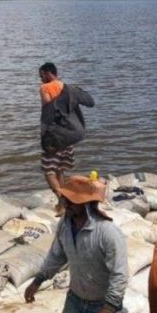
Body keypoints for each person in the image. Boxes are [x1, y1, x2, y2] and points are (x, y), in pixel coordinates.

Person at [24, 175, 128, 313]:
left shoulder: (107, 232)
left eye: (72, 201)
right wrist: (38, 280)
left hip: (101, 305)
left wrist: (108, 310)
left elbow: (120, 274)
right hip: (75, 300)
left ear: (86, 204)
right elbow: (56, 256)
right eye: (65, 200)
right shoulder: (65, 224)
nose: (66, 205)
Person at [38, 62, 94, 207]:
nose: (40, 79)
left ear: (48, 73)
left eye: (42, 75)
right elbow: (89, 102)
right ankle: (66, 198)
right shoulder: (69, 88)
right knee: (60, 169)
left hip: (55, 136)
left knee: (49, 170)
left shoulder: (45, 88)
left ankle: (62, 201)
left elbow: (47, 109)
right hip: (69, 136)